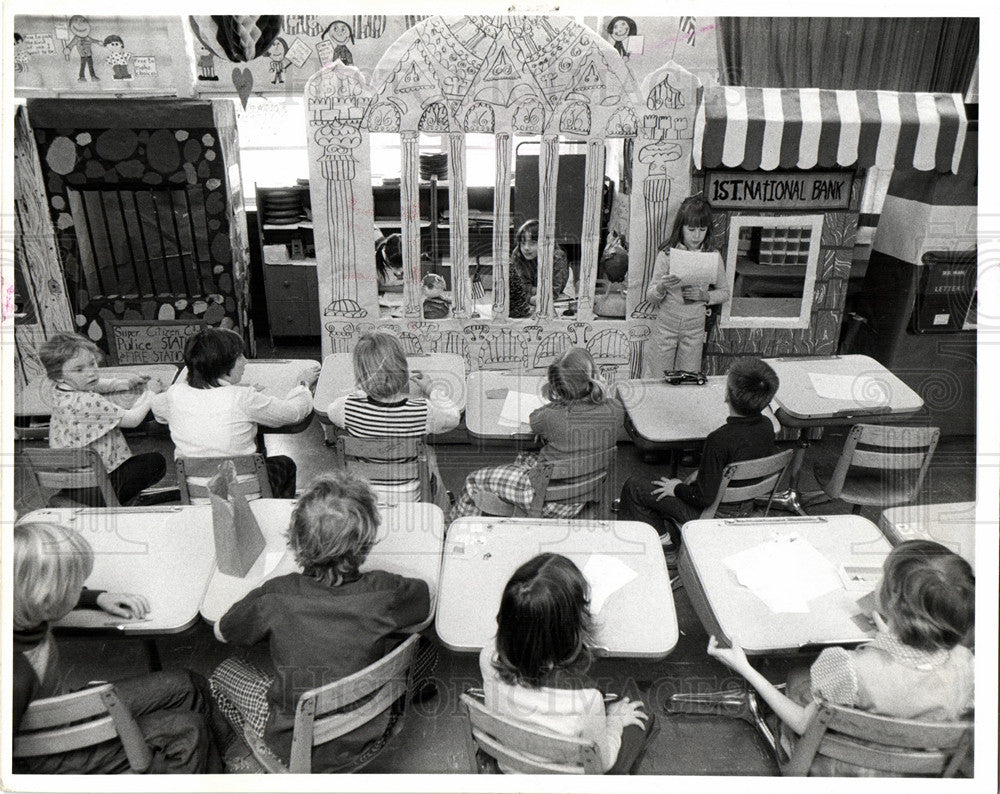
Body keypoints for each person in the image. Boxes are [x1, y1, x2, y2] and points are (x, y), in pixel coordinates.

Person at [209, 472, 436, 772]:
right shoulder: (387, 591)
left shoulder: (275, 595)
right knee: (427, 648)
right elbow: (425, 598)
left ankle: (252, 755)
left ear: (296, 540)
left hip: (292, 743)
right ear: (365, 544)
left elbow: (223, 631)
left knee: (221, 673)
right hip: (371, 729)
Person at [708, 540, 975, 776]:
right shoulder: (967, 664)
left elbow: (802, 724)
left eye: (883, 575)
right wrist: (893, 634)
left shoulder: (849, 667)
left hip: (842, 769)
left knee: (796, 678)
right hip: (915, 769)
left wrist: (745, 668)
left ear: (893, 600)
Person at [12, 521, 237, 774]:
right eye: (75, 586)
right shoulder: (16, 673)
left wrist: (95, 597)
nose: (80, 588)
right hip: (53, 754)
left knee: (189, 685)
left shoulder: (20, 606)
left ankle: (225, 760)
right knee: (189, 733)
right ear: (46, 598)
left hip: (63, 706)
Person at [480, 553, 654, 774]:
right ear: (569, 631)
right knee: (638, 717)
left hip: (511, 766)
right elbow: (603, 761)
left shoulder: (487, 656)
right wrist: (616, 722)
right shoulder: (588, 701)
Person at [617, 357, 778, 552]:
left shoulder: (718, 440)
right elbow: (741, 458)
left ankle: (664, 543)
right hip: (745, 507)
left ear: (728, 394)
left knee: (634, 487)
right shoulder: (768, 426)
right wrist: (703, 470)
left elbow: (703, 498)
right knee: (681, 481)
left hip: (711, 515)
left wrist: (676, 488)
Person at [451, 348, 623, 520]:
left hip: (549, 500)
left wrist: (558, 403)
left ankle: (451, 529)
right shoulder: (615, 408)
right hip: (584, 493)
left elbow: (534, 419)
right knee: (525, 456)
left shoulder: (550, 416)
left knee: (473, 481)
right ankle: (516, 501)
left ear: (557, 387)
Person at [151, 327, 317, 499]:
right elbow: (295, 412)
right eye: (239, 356)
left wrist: (154, 391)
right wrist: (303, 385)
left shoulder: (174, 395)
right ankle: (271, 513)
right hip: (245, 497)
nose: (245, 362)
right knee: (285, 464)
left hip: (198, 497)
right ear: (222, 364)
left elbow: (157, 408)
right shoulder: (243, 398)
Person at [325, 331, 460, 509]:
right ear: (403, 368)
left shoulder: (347, 407)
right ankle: (441, 512)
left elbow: (330, 411)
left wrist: (359, 392)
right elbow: (453, 417)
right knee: (429, 454)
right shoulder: (421, 409)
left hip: (364, 495)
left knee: (428, 454)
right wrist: (432, 389)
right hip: (410, 497)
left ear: (360, 373)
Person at [39, 332, 166, 506]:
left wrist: (125, 383)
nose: (91, 372)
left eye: (92, 363)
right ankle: (111, 502)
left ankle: (76, 498)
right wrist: (151, 392)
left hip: (73, 480)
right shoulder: (89, 402)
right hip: (101, 484)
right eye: (79, 369)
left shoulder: (56, 389)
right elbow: (133, 419)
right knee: (156, 461)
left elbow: (95, 383)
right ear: (59, 376)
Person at [646, 195, 729, 373]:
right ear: (681, 227)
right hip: (666, 323)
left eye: (702, 229)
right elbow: (651, 297)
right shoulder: (667, 254)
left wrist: (705, 296)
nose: (696, 236)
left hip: (695, 326)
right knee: (657, 374)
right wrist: (661, 286)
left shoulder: (712, 255)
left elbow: (724, 292)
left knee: (688, 376)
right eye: (691, 229)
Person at [509, 219, 570, 318]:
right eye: (522, 243)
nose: (526, 248)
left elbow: (553, 291)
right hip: (531, 301)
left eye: (532, 243)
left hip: (558, 300)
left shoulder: (557, 257)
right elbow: (519, 287)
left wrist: (531, 292)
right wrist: (531, 298)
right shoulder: (518, 255)